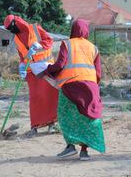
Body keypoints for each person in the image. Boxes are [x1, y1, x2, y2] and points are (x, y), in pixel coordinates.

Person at [44, 19, 105, 161]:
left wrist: (47, 69)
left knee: (64, 115)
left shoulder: (67, 44)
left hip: (70, 86)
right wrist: (93, 87)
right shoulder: (93, 47)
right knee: (86, 118)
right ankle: (84, 151)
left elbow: (59, 64)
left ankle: (70, 146)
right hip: (90, 87)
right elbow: (98, 73)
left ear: (73, 29)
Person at [3, 15, 58, 137]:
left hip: (46, 68)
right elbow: (22, 56)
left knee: (49, 95)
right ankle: (35, 126)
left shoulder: (35, 28)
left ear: (17, 22)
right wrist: (22, 66)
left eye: (12, 27)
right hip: (31, 71)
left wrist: (39, 45)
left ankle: (52, 124)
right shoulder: (16, 38)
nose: (12, 30)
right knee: (35, 98)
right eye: (9, 29)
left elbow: (49, 40)